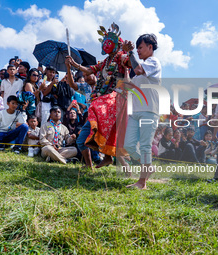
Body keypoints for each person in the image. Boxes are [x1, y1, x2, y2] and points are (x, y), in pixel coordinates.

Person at [66, 22, 130, 169]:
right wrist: (74, 64)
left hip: (113, 101)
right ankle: (103, 161)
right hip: (99, 105)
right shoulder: (105, 62)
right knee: (83, 140)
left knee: (109, 132)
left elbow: (131, 64)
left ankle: (119, 163)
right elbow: (89, 70)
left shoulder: (121, 57)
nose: (106, 44)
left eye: (109, 42)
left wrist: (129, 53)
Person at [121, 34, 162, 189]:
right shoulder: (142, 69)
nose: (138, 50)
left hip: (149, 111)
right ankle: (148, 167)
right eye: (136, 48)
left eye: (140, 47)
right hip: (136, 112)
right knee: (129, 146)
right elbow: (131, 86)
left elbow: (137, 70)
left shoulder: (153, 62)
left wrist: (130, 53)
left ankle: (142, 182)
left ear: (150, 47)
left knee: (145, 146)